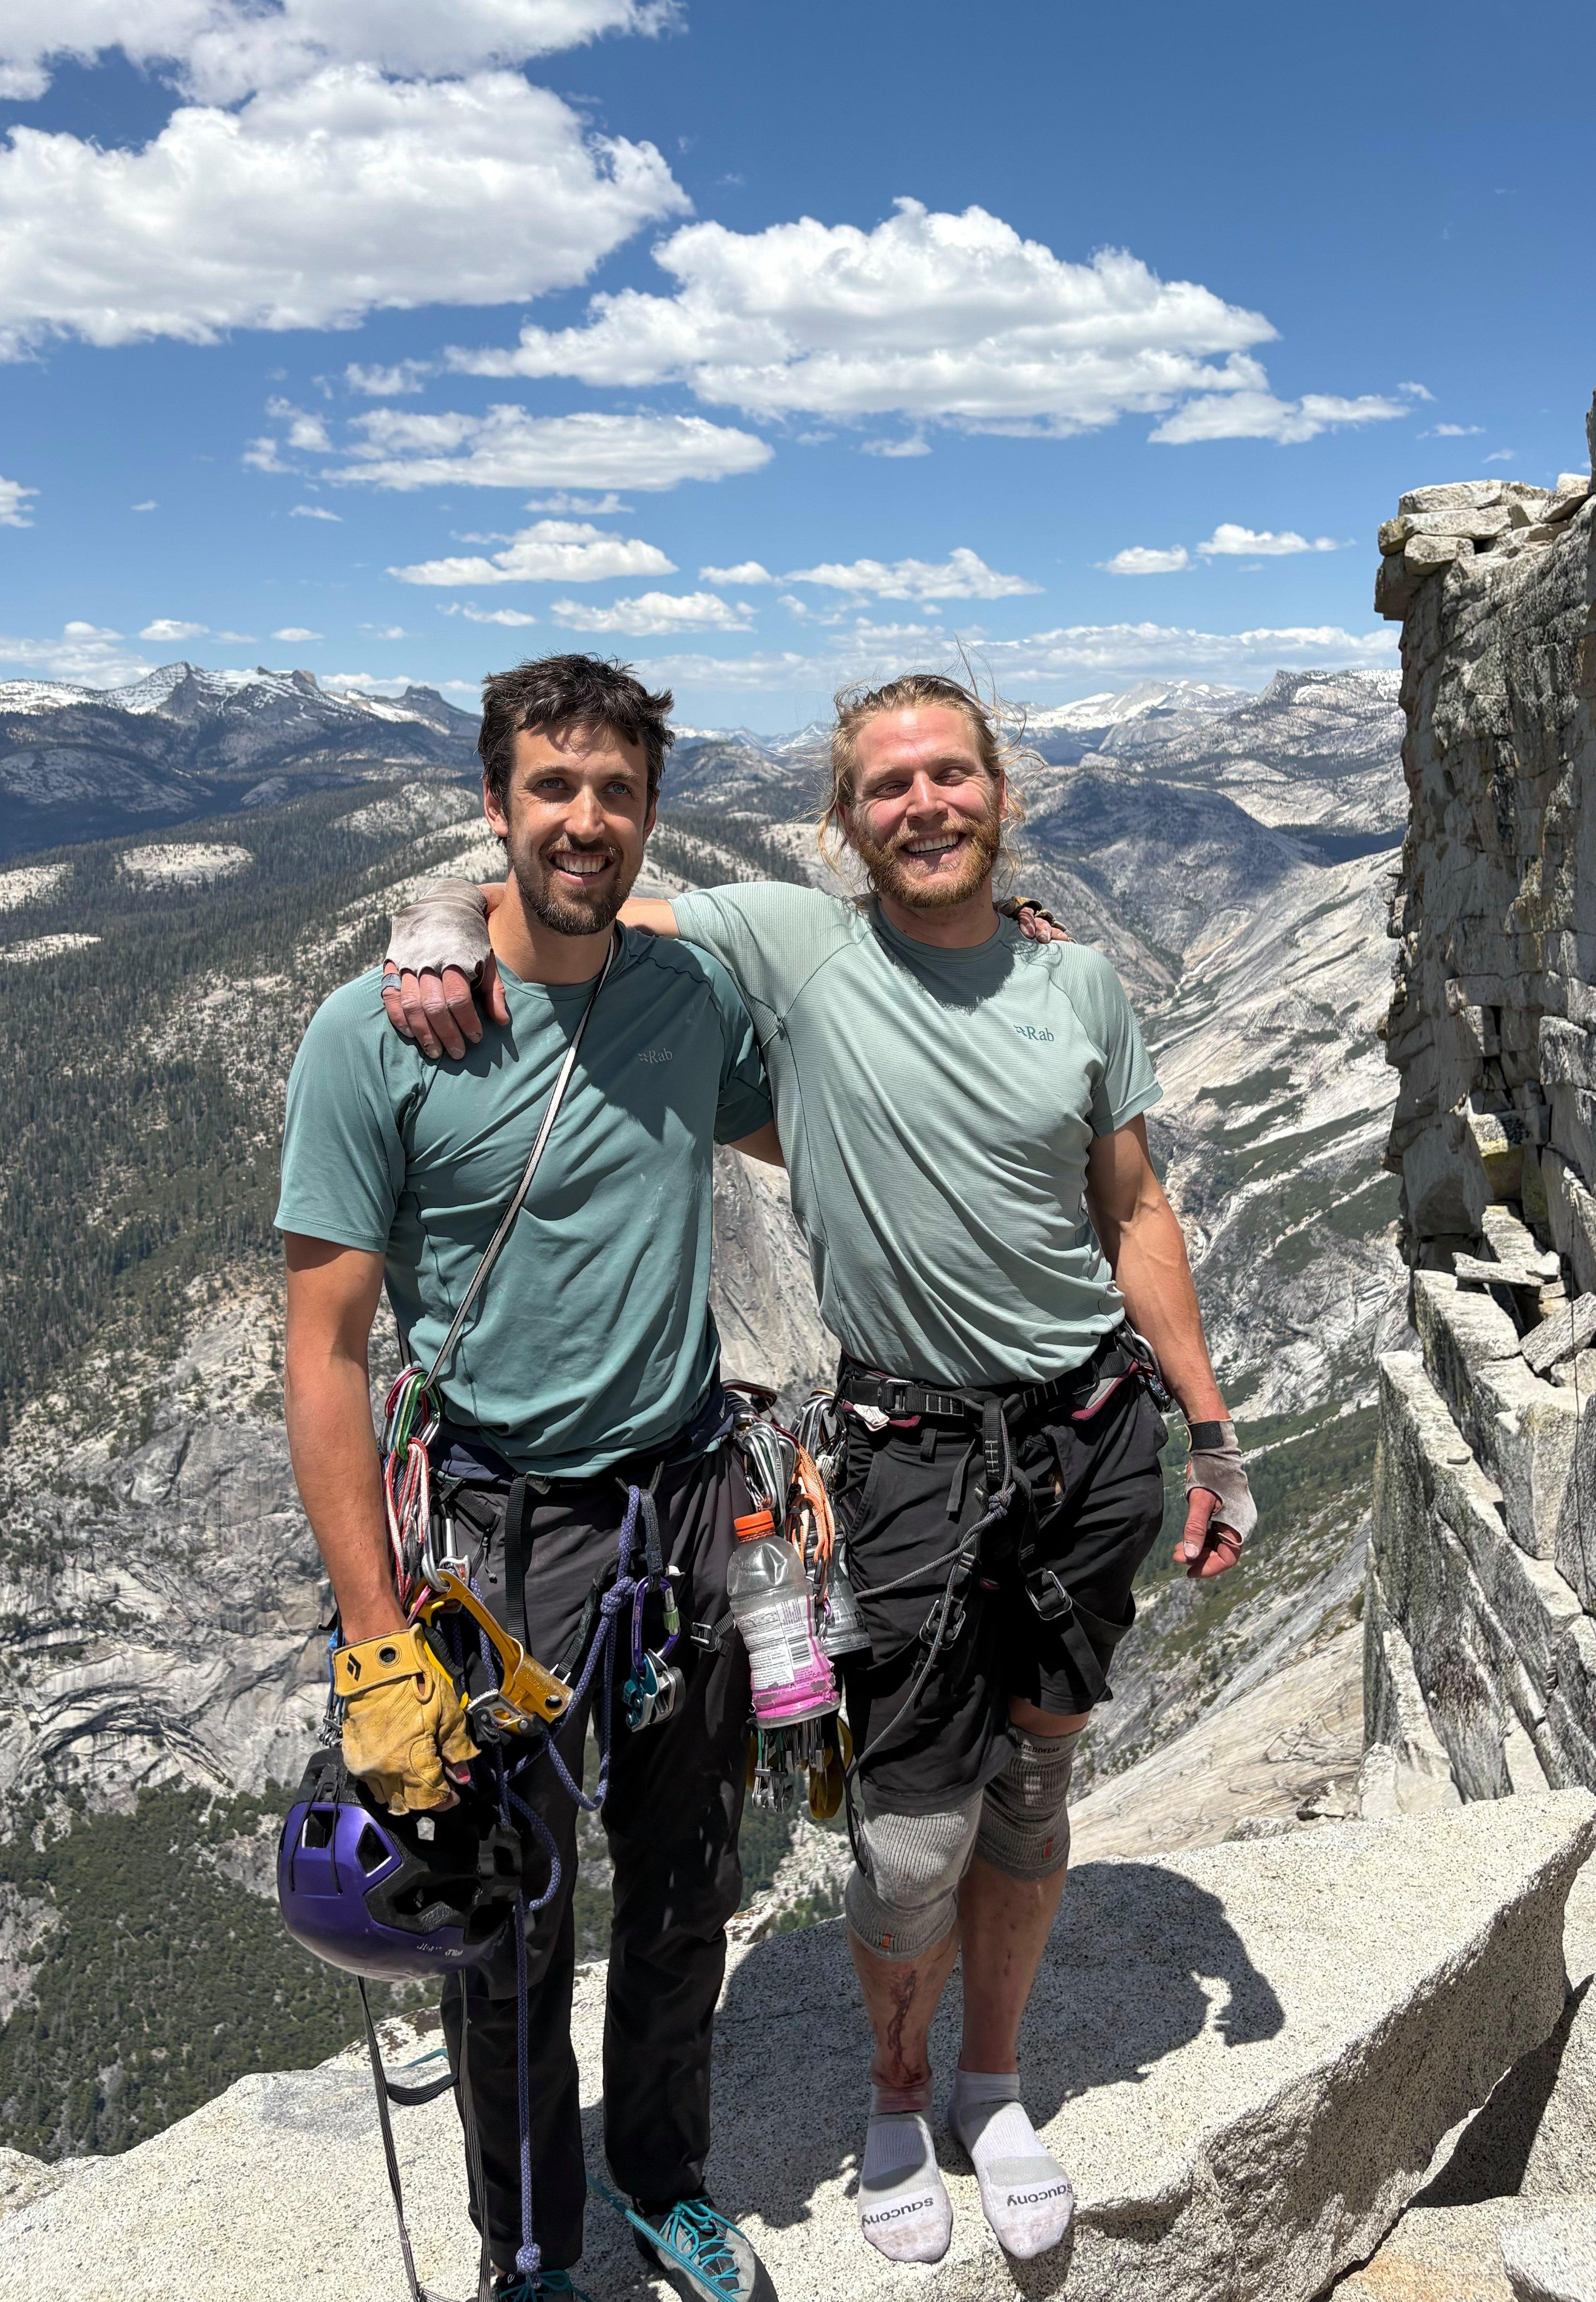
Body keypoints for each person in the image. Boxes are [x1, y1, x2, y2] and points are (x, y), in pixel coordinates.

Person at [381, 671, 1254, 2269]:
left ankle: (990, 2081)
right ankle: (893, 2090)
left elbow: (1134, 1211)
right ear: (844, 822)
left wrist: (1209, 1430)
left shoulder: (1083, 985)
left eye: (950, 774)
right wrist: (435, 912)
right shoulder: (793, 942)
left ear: (1000, 789)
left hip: (1092, 1438)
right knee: (911, 1832)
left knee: (1037, 1784)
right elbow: (577, 886)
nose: (924, 803)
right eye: (887, 785)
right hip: (908, 1456)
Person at [278, 654, 785, 2302]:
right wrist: (375, 1641)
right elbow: (327, 1349)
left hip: (693, 1501)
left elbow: (844, 1091)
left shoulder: (688, 995)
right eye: (550, 790)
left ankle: (662, 2177)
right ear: (496, 808)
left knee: (688, 1877)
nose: (584, 821)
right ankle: (525, 2242)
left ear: (650, 813)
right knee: (504, 1912)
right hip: (508, 1535)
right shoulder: (380, 1036)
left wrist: (1021, 947)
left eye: (615, 792)